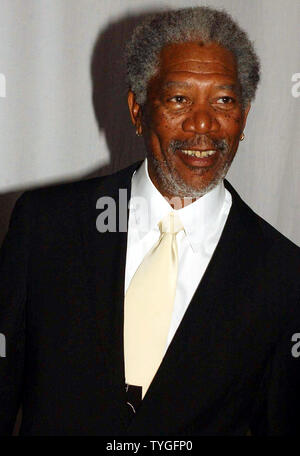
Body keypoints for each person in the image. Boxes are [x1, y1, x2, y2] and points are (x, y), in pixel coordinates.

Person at [0, 6, 299, 436]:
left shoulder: (283, 276)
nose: (202, 123)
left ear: (245, 118)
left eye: (224, 100)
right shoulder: (46, 227)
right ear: (138, 109)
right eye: (179, 98)